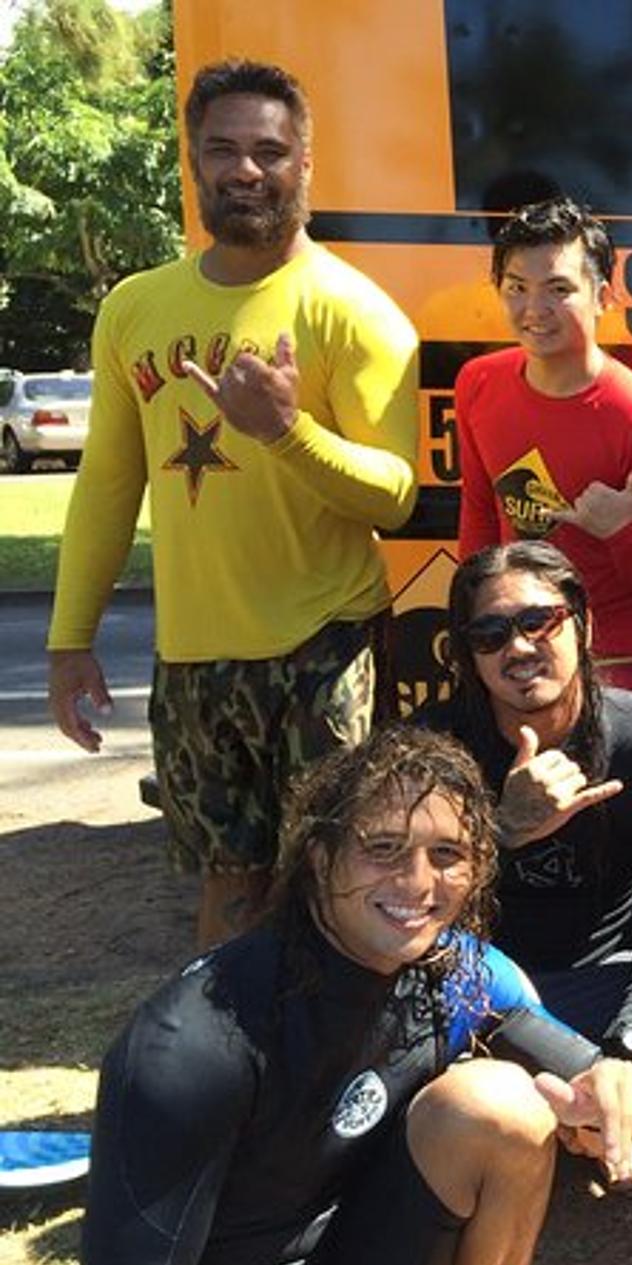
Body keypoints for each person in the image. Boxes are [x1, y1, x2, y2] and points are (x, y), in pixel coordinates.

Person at [80, 725, 632, 1265]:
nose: (417, 882)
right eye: (382, 848)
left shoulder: (444, 970)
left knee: (502, 1104)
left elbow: (574, 1074)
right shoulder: (190, 1041)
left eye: (446, 854)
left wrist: (605, 1092)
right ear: (320, 859)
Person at [47, 60, 420, 948]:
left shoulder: (356, 313)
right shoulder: (134, 308)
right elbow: (106, 483)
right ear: (194, 161)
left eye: (268, 150)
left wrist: (287, 431)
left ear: (306, 165)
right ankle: (231, 1072)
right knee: (229, 885)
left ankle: (335, 1070)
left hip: (323, 647)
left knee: (341, 878)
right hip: (192, 659)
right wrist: (68, 639)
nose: (245, 170)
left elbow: (397, 496)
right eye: (222, 150)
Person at [418, 542, 632, 1088]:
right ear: (467, 654)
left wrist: (630, 1042)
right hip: (471, 980)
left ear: (584, 627)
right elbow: (405, 905)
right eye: (490, 634)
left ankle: (585, 1087)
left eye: (539, 622)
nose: (519, 646)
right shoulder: (430, 749)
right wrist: (504, 830)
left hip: (595, 981)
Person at [456, 196, 632, 703]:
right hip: (512, 643)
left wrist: (618, 532)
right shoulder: (478, 383)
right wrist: (474, 627)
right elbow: (479, 515)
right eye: (517, 288)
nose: (534, 309)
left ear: (603, 296)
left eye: (558, 289)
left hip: (617, 651)